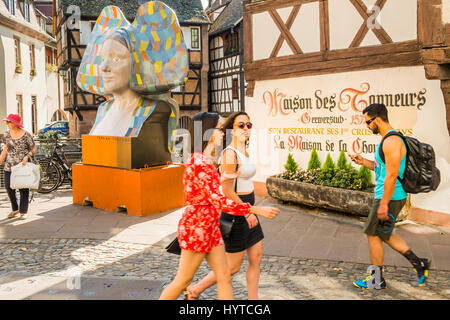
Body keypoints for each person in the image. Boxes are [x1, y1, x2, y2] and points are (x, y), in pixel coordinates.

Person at [159, 112, 279, 300]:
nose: (222, 132)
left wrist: (222, 178)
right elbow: (220, 201)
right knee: (183, 280)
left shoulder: (204, 160)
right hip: (197, 228)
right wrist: (255, 210)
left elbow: (204, 190)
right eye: (217, 128)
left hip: (211, 228)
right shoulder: (200, 162)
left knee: (224, 276)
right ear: (207, 132)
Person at [186, 111, 265, 300]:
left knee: (257, 257)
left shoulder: (244, 150)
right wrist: (247, 213)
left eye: (249, 124)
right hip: (238, 213)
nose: (246, 128)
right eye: (241, 125)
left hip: (248, 208)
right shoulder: (230, 154)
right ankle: (195, 290)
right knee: (233, 267)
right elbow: (227, 190)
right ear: (231, 129)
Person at [350, 103, 431, 289]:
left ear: (377, 119)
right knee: (383, 235)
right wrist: (364, 162)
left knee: (373, 235)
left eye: (368, 122)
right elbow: (383, 169)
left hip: (389, 197)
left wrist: (384, 204)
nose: (367, 126)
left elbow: (392, 175)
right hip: (389, 196)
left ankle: (376, 279)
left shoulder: (392, 141)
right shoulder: (387, 140)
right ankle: (419, 264)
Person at [0, 114, 37, 220]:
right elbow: (5, 150)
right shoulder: (6, 134)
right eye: (6, 121)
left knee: (23, 188)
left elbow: (34, 148)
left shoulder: (26, 134)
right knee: (8, 187)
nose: (6, 123)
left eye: (8, 122)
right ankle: (15, 209)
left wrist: (27, 156)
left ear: (15, 124)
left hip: (22, 166)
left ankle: (23, 211)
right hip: (9, 165)